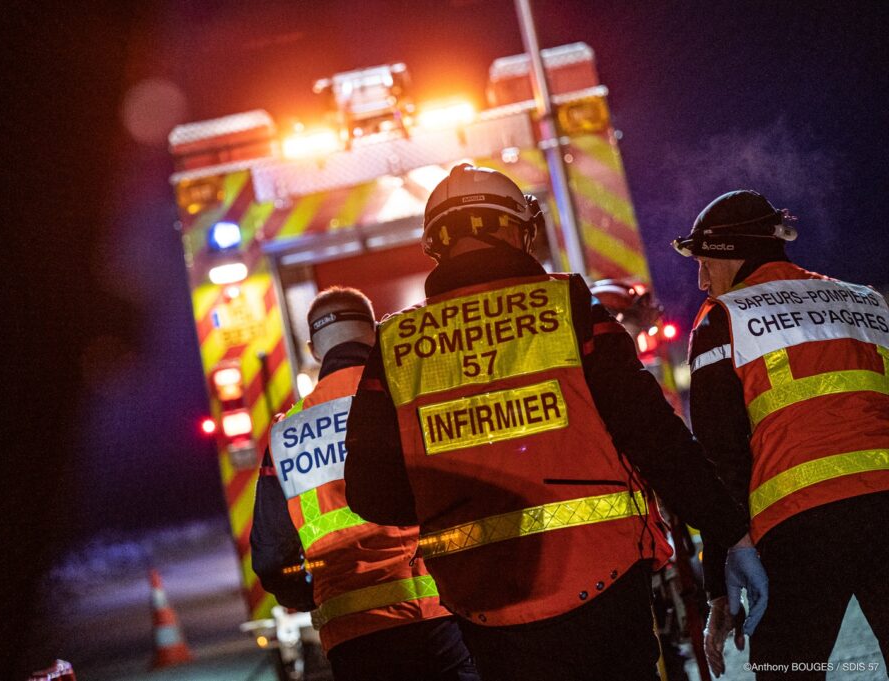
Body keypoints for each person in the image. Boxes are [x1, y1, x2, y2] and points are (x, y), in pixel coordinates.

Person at [343, 163, 767, 681]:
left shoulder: (394, 344)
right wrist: (731, 535)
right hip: (606, 582)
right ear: (517, 231)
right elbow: (653, 434)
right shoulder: (566, 303)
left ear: (438, 246)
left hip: (484, 603)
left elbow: (371, 494)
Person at [672, 190, 889, 679]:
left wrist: (718, 587)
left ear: (731, 255)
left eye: (705, 264)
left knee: (785, 667)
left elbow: (719, 459)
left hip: (801, 526)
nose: (703, 281)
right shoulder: (866, 300)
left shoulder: (724, 319)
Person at [250, 286, 479, 681]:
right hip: (444, 615)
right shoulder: (414, 396)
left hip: (353, 632)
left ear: (313, 349)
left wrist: (314, 595)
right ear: (374, 331)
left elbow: (272, 557)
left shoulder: (285, 434)